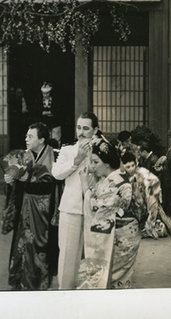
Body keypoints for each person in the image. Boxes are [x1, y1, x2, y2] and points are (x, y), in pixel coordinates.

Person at [78, 139, 141, 289]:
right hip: (116, 233)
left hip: (122, 237)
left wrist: (85, 186)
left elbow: (98, 208)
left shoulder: (118, 183)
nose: (92, 167)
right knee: (111, 278)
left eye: (95, 162)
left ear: (106, 163)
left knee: (114, 278)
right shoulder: (109, 179)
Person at [3, 122, 58, 290]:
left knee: (40, 245)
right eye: (26, 136)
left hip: (43, 210)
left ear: (41, 140)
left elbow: (54, 186)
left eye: (30, 136)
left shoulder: (53, 156)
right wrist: (11, 182)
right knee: (22, 244)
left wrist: (26, 181)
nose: (26, 139)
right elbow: (19, 184)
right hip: (25, 208)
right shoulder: (24, 156)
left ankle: (38, 282)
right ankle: (20, 281)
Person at [51, 111, 99, 289]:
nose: (81, 132)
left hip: (95, 209)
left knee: (96, 254)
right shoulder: (66, 150)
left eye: (86, 128)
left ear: (95, 130)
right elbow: (56, 173)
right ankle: (65, 293)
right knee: (67, 255)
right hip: (71, 208)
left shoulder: (101, 150)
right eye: (79, 127)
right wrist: (76, 160)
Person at [120, 151, 166, 239]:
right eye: (128, 167)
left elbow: (154, 185)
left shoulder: (142, 173)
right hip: (133, 209)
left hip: (146, 207)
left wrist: (151, 220)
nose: (131, 169)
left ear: (136, 163)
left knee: (159, 230)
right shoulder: (122, 175)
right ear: (123, 166)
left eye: (133, 165)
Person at [39, 82, 62, 147]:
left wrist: (46, 113)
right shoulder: (40, 100)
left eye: (47, 93)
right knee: (45, 139)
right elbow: (39, 111)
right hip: (45, 123)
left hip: (55, 123)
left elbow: (56, 111)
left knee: (56, 139)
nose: (45, 95)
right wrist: (49, 112)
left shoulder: (55, 100)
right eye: (44, 93)